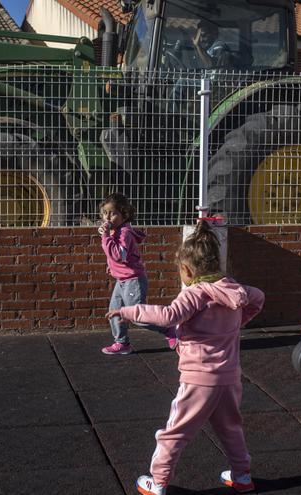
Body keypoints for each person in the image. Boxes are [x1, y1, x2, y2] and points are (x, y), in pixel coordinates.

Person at [106, 220, 265, 495]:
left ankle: (157, 482)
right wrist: (239, 322)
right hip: (229, 378)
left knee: (174, 432)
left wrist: (129, 311)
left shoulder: (196, 294)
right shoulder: (234, 290)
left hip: (199, 380)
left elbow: (168, 316)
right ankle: (242, 476)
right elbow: (258, 298)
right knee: (231, 429)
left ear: (188, 270)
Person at [99, 193, 176, 355]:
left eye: (112, 213)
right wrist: (111, 267)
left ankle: (169, 329)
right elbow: (116, 257)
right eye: (105, 213)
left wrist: (105, 237)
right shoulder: (115, 231)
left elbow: (119, 255)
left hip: (133, 281)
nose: (108, 217)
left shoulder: (124, 232)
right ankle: (122, 343)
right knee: (115, 311)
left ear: (124, 215)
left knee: (137, 317)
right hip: (122, 280)